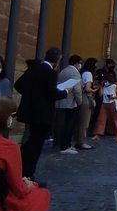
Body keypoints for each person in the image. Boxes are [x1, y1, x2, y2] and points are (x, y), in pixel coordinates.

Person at [15, 47, 71, 179]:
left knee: (30, 141)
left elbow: (18, 85)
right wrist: (66, 92)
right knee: (35, 145)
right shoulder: (50, 73)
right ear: (57, 60)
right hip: (42, 114)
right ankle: (28, 174)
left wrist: (30, 96)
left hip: (28, 111)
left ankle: (22, 170)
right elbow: (52, 93)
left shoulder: (33, 69)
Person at [55, 55, 84, 155]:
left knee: (66, 123)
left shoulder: (63, 71)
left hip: (62, 100)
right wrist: (79, 101)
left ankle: (64, 144)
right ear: (77, 63)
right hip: (71, 102)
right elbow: (77, 89)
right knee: (70, 124)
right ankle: (65, 145)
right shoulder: (75, 73)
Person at [74, 57, 98, 150]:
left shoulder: (81, 72)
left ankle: (78, 140)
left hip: (80, 97)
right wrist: (94, 89)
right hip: (85, 97)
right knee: (84, 121)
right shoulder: (88, 74)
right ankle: (82, 142)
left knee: (80, 121)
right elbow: (88, 89)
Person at [90, 58, 116, 134]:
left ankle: (105, 130)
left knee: (109, 112)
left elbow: (115, 83)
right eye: (111, 64)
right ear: (108, 64)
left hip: (109, 95)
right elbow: (96, 81)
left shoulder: (113, 73)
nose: (112, 66)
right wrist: (101, 87)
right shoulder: (100, 71)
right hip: (101, 94)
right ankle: (92, 129)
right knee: (97, 111)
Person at [93, 75, 117, 141]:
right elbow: (100, 94)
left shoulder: (114, 86)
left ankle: (116, 133)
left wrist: (112, 97)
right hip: (104, 103)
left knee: (114, 120)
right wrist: (101, 87)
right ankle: (98, 134)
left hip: (112, 103)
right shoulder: (104, 87)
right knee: (101, 119)